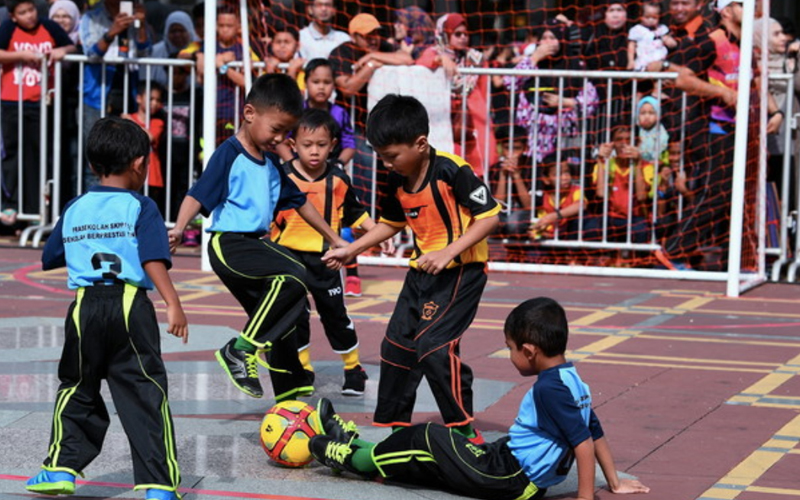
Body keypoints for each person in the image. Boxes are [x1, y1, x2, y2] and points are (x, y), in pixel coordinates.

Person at [308, 297, 651, 500]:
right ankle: (356, 446)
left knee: (427, 437)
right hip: (505, 462)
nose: (510, 355)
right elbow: (594, 432)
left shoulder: (550, 389)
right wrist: (614, 482)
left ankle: (349, 458)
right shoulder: (573, 381)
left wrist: (585, 497)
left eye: (510, 349)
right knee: (425, 461)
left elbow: (583, 443)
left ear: (529, 351)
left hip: (510, 477)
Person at [322, 95, 500, 442]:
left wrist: (448, 252)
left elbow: (490, 217)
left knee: (433, 347)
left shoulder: (451, 170)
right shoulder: (397, 179)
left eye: (392, 156)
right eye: (381, 156)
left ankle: (466, 432)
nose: (387, 164)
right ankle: (396, 432)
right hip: (421, 275)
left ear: (420, 144)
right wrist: (351, 249)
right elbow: (391, 222)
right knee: (396, 348)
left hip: (460, 273)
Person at [27, 117, 187, 500]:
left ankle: (60, 468)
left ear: (92, 165)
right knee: (144, 391)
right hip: (129, 304)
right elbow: (151, 258)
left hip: (84, 307)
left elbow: (51, 256)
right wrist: (173, 303)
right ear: (138, 164)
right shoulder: (141, 206)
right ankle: (159, 486)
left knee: (77, 385)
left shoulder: (76, 206)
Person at [168, 73, 346, 402]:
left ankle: (290, 397)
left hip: (256, 244)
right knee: (295, 274)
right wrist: (179, 227)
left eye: (285, 132)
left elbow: (301, 203)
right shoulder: (230, 154)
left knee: (288, 312)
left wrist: (335, 239)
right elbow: (198, 193)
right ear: (249, 113)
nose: (279, 138)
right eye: (276, 129)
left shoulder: (272, 164)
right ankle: (240, 350)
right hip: (230, 244)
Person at [271, 109, 389, 395]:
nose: (314, 151)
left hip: (327, 260)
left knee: (335, 315)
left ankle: (353, 368)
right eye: (307, 145)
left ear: (333, 145)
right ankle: (303, 368)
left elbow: (356, 212)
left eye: (321, 145)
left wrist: (377, 233)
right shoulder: (281, 176)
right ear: (293, 144)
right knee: (295, 317)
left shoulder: (337, 179)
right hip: (288, 258)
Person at [654, 0, 752, 271]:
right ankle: (674, 250)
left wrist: (775, 112)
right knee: (716, 193)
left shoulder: (746, 45)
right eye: (742, 5)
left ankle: (734, 261)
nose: (749, 10)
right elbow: (683, 79)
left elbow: (756, 82)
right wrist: (721, 92)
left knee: (734, 196)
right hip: (712, 127)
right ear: (727, 10)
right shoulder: (710, 41)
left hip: (738, 128)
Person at [0, 0, 76, 222]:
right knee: (13, 153)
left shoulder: (48, 26)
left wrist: (62, 50)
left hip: (42, 102)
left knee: (38, 156)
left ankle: (36, 209)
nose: (29, 15)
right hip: (13, 101)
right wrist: (21, 56)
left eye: (31, 10)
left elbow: (72, 46)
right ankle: (10, 204)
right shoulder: (8, 28)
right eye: (22, 12)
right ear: (14, 16)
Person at [328, 13, 413, 206]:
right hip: (353, 124)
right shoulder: (341, 52)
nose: (374, 39)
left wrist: (373, 55)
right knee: (366, 167)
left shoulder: (381, 48)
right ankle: (364, 215)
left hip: (382, 124)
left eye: (376, 33)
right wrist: (372, 65)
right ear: (354, 36)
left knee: (391, 168)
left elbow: (407, 58)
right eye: (368, 35)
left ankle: (386, 214)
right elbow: (348, 88)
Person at [504, 19, 598, 162]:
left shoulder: (575, 65)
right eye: (544, 38)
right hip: (532, 136)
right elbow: (509, 83)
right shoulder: (531, 62)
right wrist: (534, 58)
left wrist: (565, 102)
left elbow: (592, 101)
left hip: (563, 137)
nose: (547, 42)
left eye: (552, 38)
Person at [79, 0, 150, 190]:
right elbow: (91, 53)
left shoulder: (135, 17)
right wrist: (112, 31)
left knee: (129, 152)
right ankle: (94, 202)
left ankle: (127, 199)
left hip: (128, 91)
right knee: (96, 152)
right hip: (97, 94)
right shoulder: (91, 17)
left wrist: (142, 25)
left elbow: (145, 50)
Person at [417, 13, 496, 176]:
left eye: (465, 34)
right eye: (457, 34)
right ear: (444, 34)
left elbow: (484, 92)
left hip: (470, 121)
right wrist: (440, 59)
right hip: (440, 120)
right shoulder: (433, 52)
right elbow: (420, 64)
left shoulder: (476, 59)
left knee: (474, 168)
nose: (463, 38)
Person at [586, 125, 654, 244]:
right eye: (619, 140)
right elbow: (601, 193)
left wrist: (637, 163)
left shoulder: (646, 166)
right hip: (611, 217)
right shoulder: (605, 164)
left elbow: (641, 197)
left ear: (637, 143)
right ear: (612, 144)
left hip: (636, 218)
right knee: (590, 229)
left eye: (628, 140)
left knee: (641, 232)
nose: (624, 144)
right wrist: (600, 159)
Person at [122, 80, 166, 213]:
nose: (155, 103)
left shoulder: (157, 122)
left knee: (148, 212)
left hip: (152, 176)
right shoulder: (130, 118)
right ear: (139, 98)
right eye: (151, 99)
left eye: (158, 100)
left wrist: (130, 121)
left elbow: (149, 137)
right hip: (132, 173)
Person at [489, 125, 533, 239]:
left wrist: (516, 175)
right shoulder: (494, 169)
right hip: (503, 212)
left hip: (524, 212)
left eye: (516, 148)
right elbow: (498, 205)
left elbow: (529, 206)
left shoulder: (533, 166)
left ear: (525, 148)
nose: (511, 154)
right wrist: (503, 175)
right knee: (488, 223)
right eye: (507, 148)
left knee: (513, 224)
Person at [530, 155, 585, 241]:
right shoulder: (543, 197)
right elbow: (542, 225)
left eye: (567, 172)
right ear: (546, 179)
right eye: (558, 174)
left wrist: (555, 216)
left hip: (571, 236)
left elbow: (581, 205)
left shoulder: (576, 190)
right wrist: (537, 232)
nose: (565, 177)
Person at [146, 10, 197, 87]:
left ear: (189, 31)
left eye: (181, 30)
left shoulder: (199, 49)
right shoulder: (155, 51)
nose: (177, 35)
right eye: (173, 31)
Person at [627, 1, 673, 72]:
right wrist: (631, 61)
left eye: (654, 17)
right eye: (647, 17)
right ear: (641, 15)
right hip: (643, 63)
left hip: (660, 63)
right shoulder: (637, 30)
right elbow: (631, 46)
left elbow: (671, 43)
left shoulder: (662, 28)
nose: (651, 20)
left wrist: (669, 41)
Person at [636, 96, 669, 164]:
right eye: (643, 113)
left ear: (658, 116)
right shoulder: (635, 132)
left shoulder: (662, 134)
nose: (647, 117)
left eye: (651, 113)